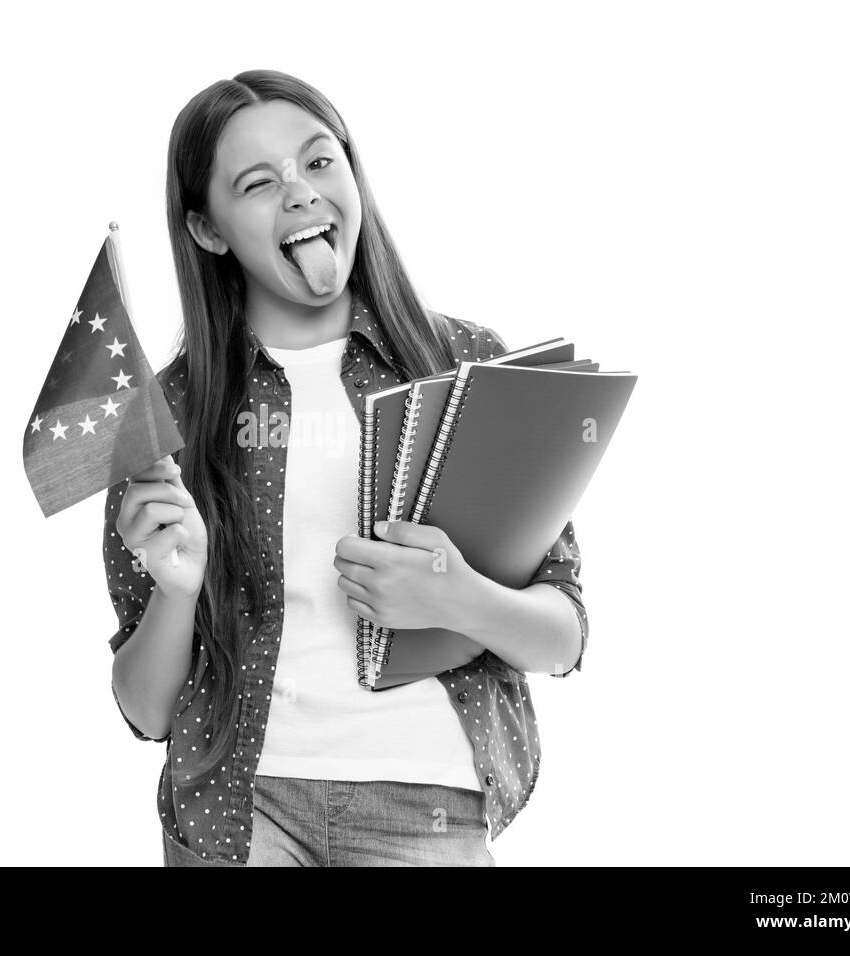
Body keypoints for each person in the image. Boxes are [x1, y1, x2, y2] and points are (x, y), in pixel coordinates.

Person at [103, 69, 588, 867]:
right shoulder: (167, 419)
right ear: (208, 230)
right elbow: (147, 711)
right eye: (258, 183)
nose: (300, 194)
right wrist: (177, 589)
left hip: (427, 802)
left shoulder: (465, 366)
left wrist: (457, 598)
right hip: (239, 811)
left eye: (320, 162)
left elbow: (564, 635)